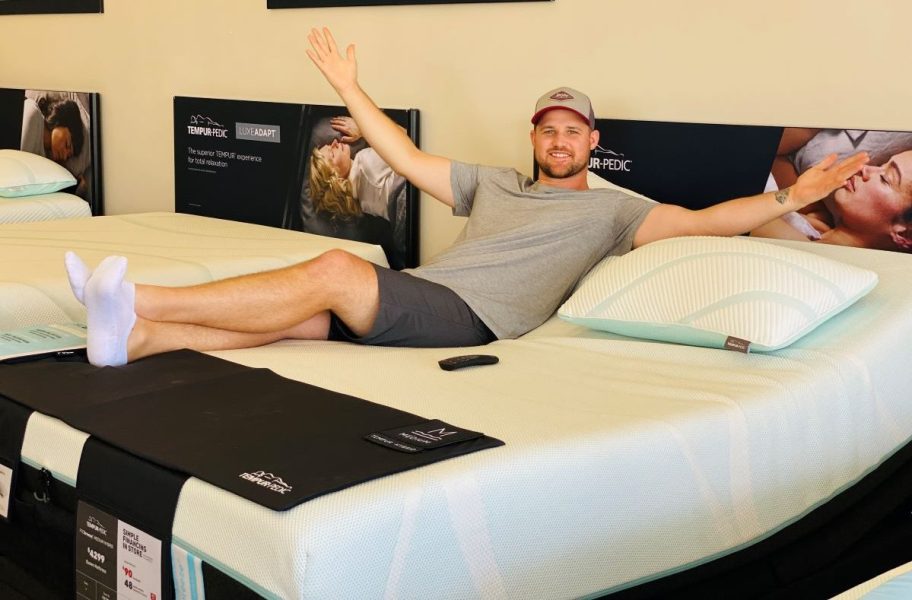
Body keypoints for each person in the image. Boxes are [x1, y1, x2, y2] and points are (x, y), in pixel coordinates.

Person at [65, 28, 868, 367]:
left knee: (339, 270)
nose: (559, 141)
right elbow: (407, 158)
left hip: (477, 317)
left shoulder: (615, 209)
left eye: (572, 132)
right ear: (535, 139)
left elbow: (705, 223)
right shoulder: (499, 182)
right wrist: (350, 86)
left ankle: (135, 297)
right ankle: (134, 340)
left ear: (593, 142)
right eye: (547, 130)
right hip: (430, 296)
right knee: (303, 321)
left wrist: (792, 195)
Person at [755, 133, 912, 251]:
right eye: (882, 164)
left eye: (885, 178)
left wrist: (794, 195)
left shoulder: (801, 249)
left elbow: (739, 200)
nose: (866, 169)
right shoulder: (818, 225)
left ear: (905, 235)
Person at [309, 116, 406, 222]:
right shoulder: (364, 161)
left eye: (329, 145)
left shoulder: (360, 203)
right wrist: (363, 128)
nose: (335, 142)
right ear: (336, 177)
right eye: (332, 153)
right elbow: (408, 138)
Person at [20, 94, 90, 196]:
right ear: (61, 121)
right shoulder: (32, 114)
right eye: (67, 144)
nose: (65, 155)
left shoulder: (45, 160)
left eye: (68, 156)